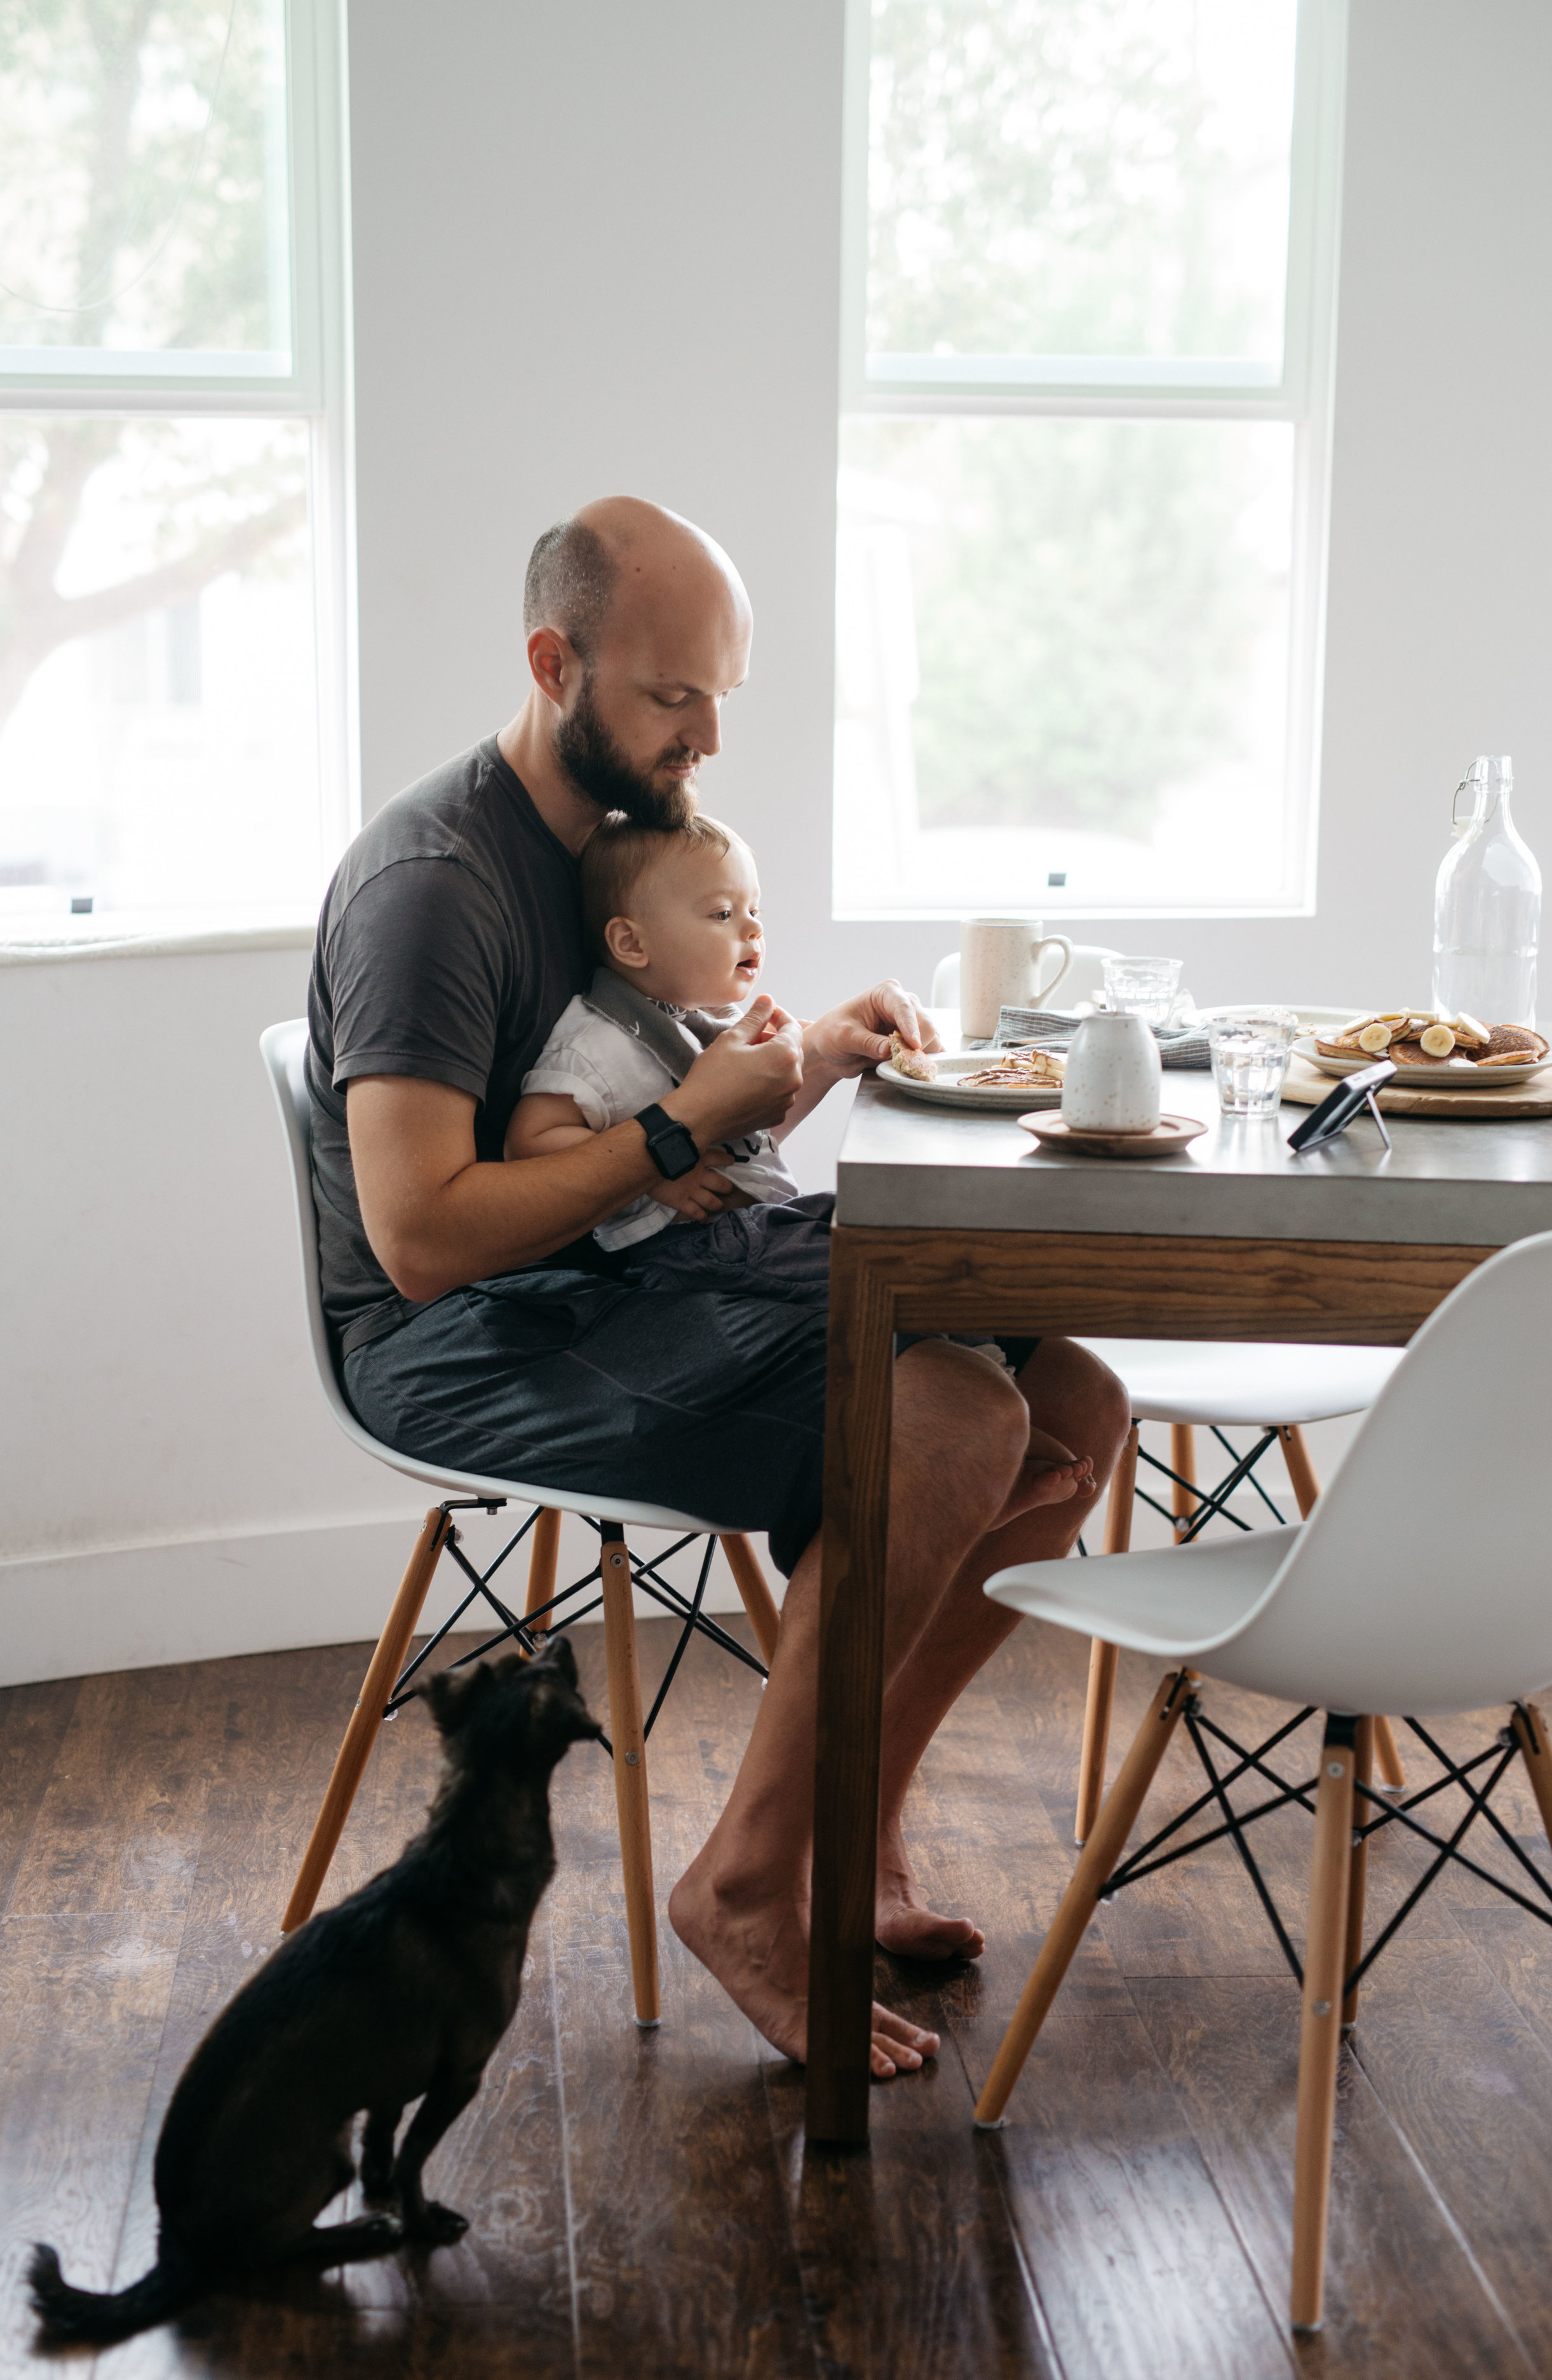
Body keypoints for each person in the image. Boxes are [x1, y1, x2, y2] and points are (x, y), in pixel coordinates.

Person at [306, 495, 1130, 2078]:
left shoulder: (611, 842)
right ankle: (746, 1884)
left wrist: (799, 1058)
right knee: (953, 1411)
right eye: (672, 697)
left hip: (625, 1271)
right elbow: (421, 1238)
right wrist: (686, 1124)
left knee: (1073, 1392)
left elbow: (656, 1114)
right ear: (554, 665)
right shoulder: (436, 884)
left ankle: (854, 1827)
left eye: (720, 696)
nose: (706, 738)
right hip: (470, 1331)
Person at [505, 804, 1097, 1517]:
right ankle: (984, 1461)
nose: (752, 930)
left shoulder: (693, 1022)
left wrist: (825, 1047)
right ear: (630, 941)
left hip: (747, 1233)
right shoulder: (592, 1043)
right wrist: (657, 1168)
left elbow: (751, 1123)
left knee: (897, 1242)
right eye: (722, 913)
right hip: (688, 1256)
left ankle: (989, 1438)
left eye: (754, 909)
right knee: (876, 1266)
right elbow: (530, 1143)